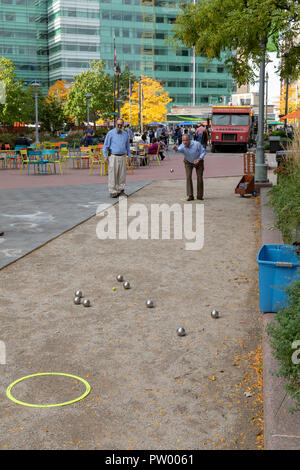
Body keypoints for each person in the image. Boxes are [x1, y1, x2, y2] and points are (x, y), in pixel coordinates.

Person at [103, 118, 131, 198]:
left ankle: (121, 190)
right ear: (115, 124)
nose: (119, 126)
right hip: (113, 156)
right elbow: (105, 146)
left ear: (123, 125)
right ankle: (113, 191)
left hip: (122, 156)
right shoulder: (110, 133)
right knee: (113, 174)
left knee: (122, 175)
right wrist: (105, 156)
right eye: (118, 125)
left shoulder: (125, 134)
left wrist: (129, 156)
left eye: (121, 125)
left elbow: (127, 146)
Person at [173, 133, 206, 201]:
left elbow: (203, 151)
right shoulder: (182, 146)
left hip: (198, 161)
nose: (184, 142)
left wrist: (199, 159)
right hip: (188, 162)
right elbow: (178, 149)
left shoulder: (197, 144)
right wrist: (175, 149)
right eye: (183, 140)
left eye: (186, 140)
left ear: (189, 140)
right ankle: (190, 196)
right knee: (188, 177)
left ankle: (200, 196)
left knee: (199, 178)